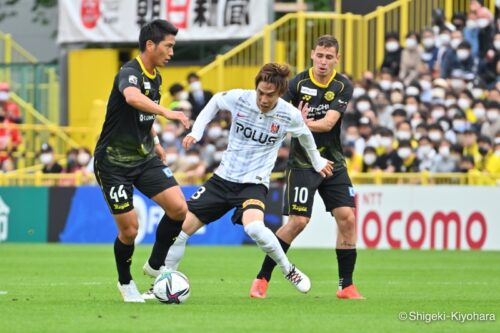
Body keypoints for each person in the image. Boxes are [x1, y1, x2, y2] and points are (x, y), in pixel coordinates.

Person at [141, 63, 334, 298]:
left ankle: (287, 269)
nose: (263, 98)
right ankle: (162, 285)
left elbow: (304, 134)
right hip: (222, 179)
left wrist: (317, 161)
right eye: (261, 92)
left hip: (253, 183)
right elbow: (214, 103)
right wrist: (197, 132)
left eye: (269, 95)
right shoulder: (240, 98)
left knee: (254, 228)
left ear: (280, 92)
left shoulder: (288, 114)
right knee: (179, 232)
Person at [250, 35, 364, 300]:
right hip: (303, 163)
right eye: (320, 56)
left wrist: (299, 123)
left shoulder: (342, 85)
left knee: (347, 217)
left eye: (329, 57)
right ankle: (261, 279)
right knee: (298, 222)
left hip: (332, 161)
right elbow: (277, 117)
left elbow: (327, 124)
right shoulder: (296, 83)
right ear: (312, 55)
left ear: (337, 58)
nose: (323, 61)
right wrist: (292, 121)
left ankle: (345, 286)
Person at [93, 19, 190, 303]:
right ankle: (125, 282)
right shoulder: (129, 72)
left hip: (144, 157)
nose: (172, 52)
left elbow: (142, 118)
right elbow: (133, 99)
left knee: (178, 208)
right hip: (113, 163)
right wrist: (167, 113)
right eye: (168, 46)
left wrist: (157, 143)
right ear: (151, 45)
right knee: (130, 230)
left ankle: (155, 264)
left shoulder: (156, 77)